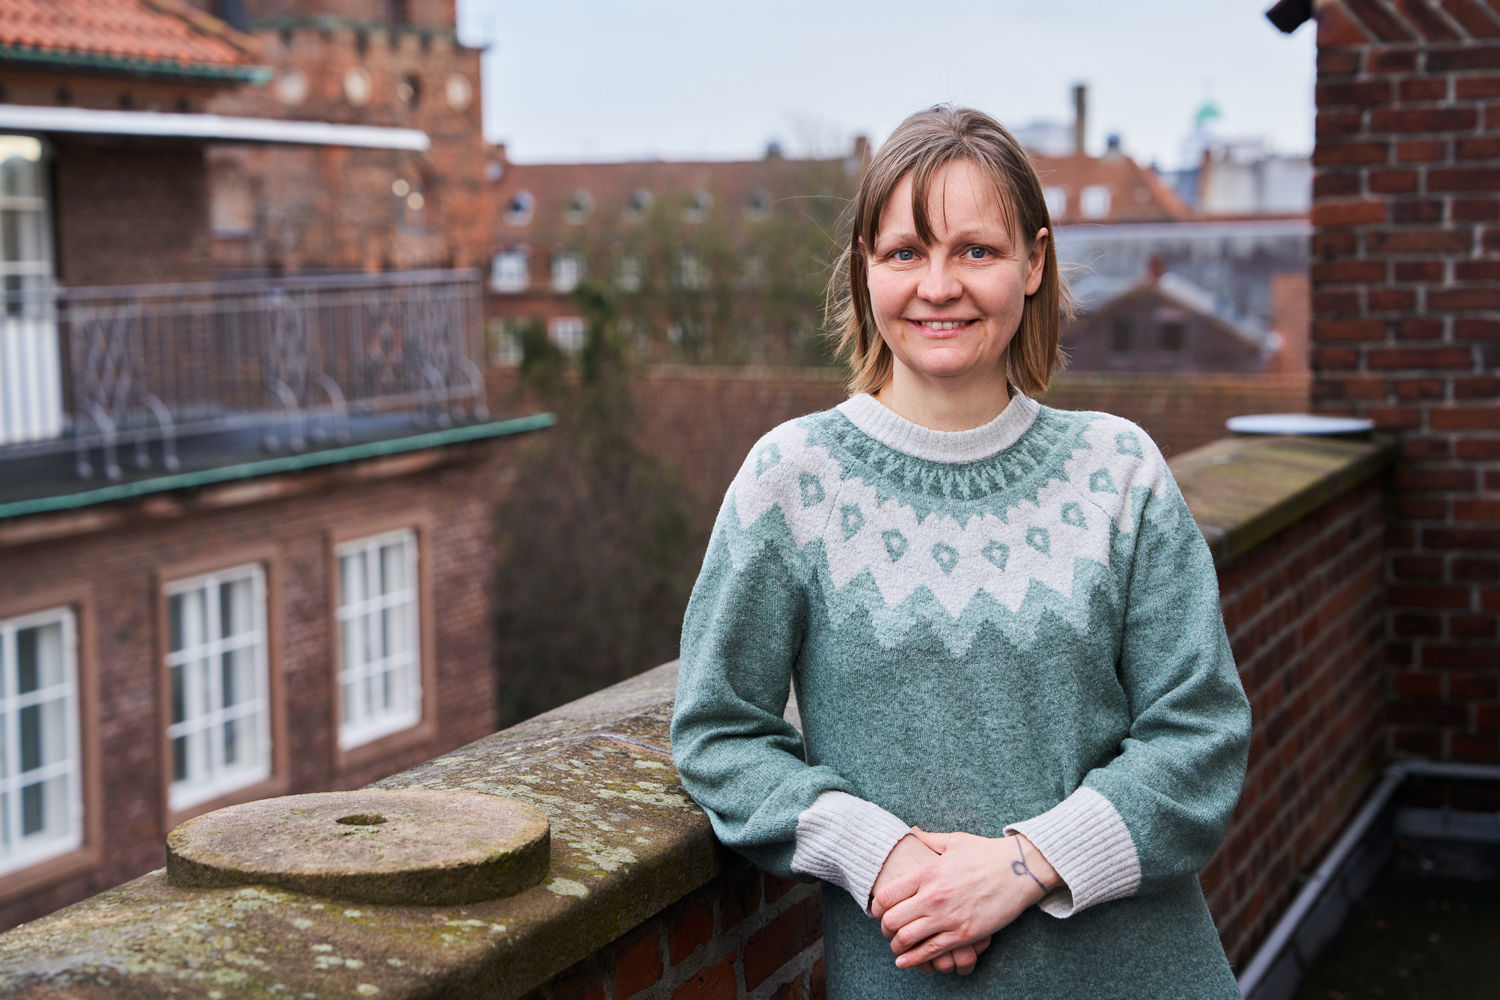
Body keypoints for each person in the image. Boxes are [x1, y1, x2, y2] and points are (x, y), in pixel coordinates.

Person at [670, 105, 1251, 999]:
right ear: (865, 269)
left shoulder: (1119, 470)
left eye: (976, 251)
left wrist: (1026, 865)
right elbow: (718, 733)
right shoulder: (793, 480)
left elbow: (1201, 737)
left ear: (1034, 263)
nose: (938, 286)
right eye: (905, 253)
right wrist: (880, 854)